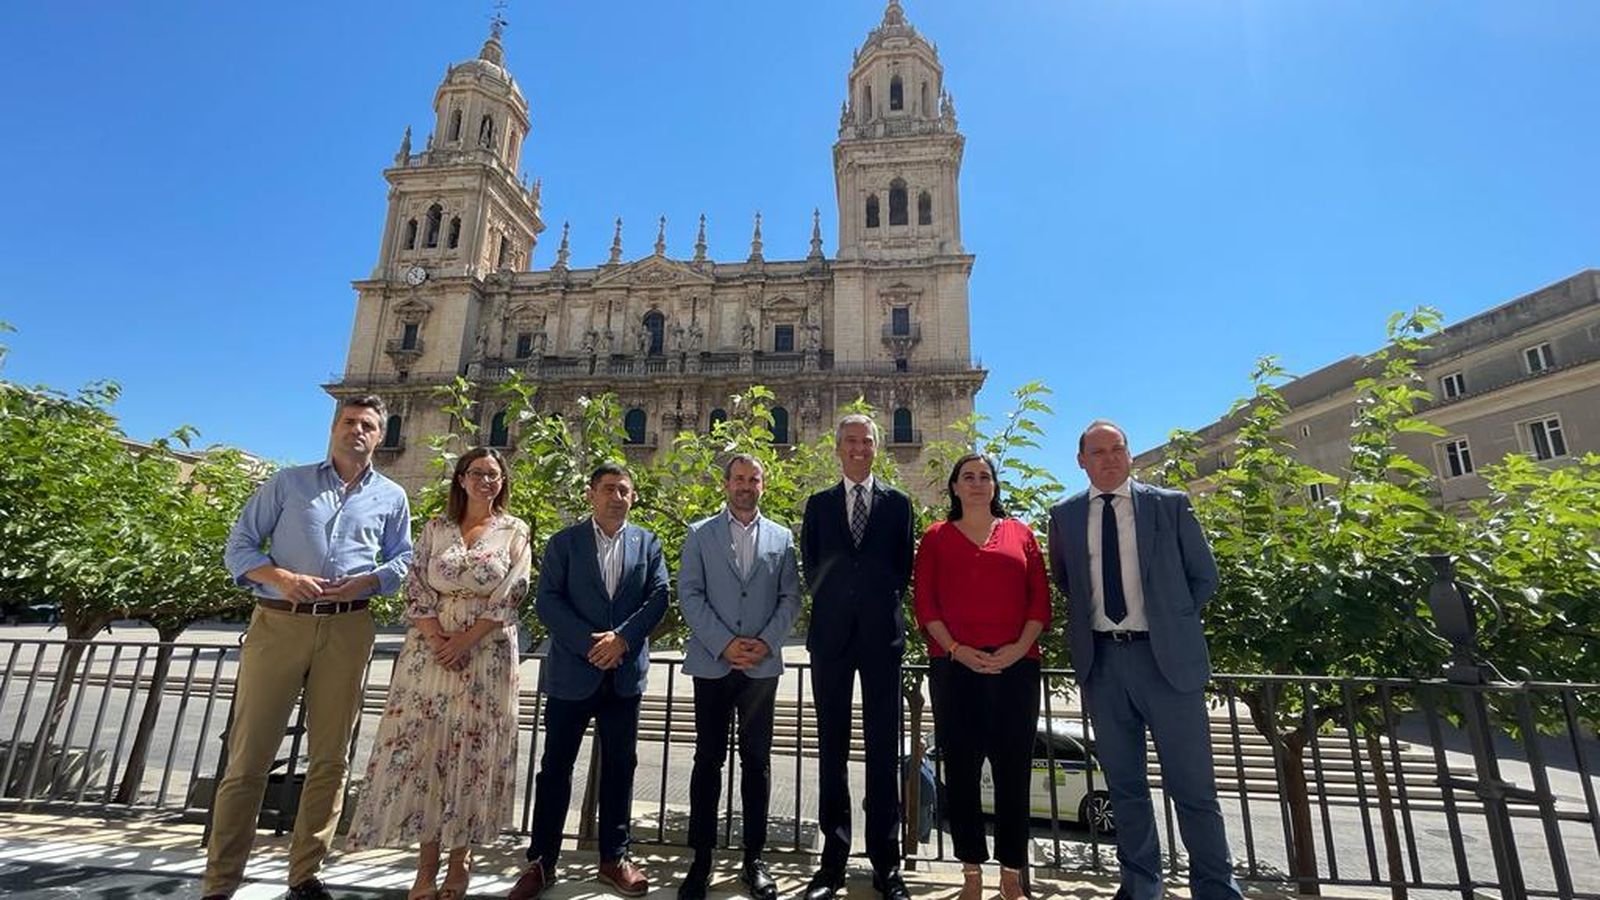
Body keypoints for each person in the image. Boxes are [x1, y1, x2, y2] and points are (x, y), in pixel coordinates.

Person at [204, 396, 413, 900]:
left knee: (331, 759)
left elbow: (403, 560)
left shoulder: (391, 496)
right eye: (348, 421)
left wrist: (370, 581)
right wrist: (281, 577)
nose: (356, 431)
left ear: (380, 435)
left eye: (367, 425)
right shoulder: (287, 483)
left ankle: (304, 875)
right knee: (247, 758)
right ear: (334, 427)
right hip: (278, 624)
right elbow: (240, 547)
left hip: (347, 627)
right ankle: (220, 882)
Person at [1045, 421, 1243, 900]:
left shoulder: (1168, 505)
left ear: (1129, 455)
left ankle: (1215, 889)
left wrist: (1168, 622)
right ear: (1081, 461)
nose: (1109, 458)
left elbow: (1204, 577)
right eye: (1097, 451)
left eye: (1117, 449)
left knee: (1194, 788)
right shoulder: (1065, 515)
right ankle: (1140, 886)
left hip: (1167, 663)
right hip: (1105, 666)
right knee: (1125, 786)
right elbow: (1067, 581)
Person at [346, 447, 530, 900]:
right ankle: (425, 866)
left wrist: (464, 641)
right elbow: (415, 586)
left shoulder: (514, 531)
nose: (486, 481)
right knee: (427, 752)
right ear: (461, 479)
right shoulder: (434, 528)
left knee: (472, 754)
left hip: (484, 655)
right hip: (428, 655)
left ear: (503, 482)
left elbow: (514, 590)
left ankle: (459, 861)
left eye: (494, 474)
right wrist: (437, 639)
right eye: (477, 473)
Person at [507, 463, 670, 900]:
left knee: (621, 768)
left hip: (623, 676)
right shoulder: (564, 542)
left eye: (624, 490)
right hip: (572, 674)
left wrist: (623, 640)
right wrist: (589, 643)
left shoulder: (648, 543)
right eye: (608, 489)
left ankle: (614, 859)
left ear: (633, 497)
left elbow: (659, 597)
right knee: (555, 768)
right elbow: (548, 601)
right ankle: (542, 861)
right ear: (590, 494)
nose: (617, 496)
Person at [912, 454, 1050, 900]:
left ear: (994, 486)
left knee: (1014, 773)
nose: (976, 484)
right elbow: (926, 604)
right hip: (956, 668)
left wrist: (1014, 650)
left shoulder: (1021, 534)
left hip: (1017, 669)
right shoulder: (935, 537)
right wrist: (957, 650)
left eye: (984, 477)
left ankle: (1012, 874)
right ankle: (971, 873)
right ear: (954, 487)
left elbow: (1039, 602)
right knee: (963, 771)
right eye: (967, 477)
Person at [800, 414, 916, 900]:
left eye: (866, 441)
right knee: (832, 751)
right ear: (838, 448)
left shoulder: (899, 504)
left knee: (883, 752)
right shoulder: (819, 504)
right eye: (850, 441)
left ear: (876, 447)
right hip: (831, 640)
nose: (858, 449)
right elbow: (812, 567)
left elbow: (903, 568)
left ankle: (886, 865)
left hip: (880, 640)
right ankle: (832, 863)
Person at [677, 454, 803, 900]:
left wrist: (766, 642)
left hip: (761, 667)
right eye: (739, 479)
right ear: (726, 484)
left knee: (758, 763)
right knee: (707, 761)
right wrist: (724, 643)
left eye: (754, 478)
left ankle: (754, 860)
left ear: (763, 484)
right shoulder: (699, 533)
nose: (746, 485)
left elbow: (791, 597)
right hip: (713, 664)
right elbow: (688, 593)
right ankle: (702, 860)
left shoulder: (783, 538)